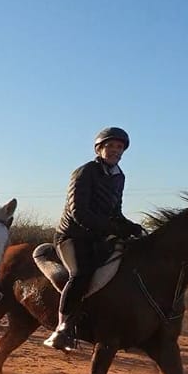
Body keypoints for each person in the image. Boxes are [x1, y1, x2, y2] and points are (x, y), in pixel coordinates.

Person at [42, 126, 147, 353]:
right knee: (81, 273)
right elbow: (79, 212)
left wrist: (132, 228)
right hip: (72, 236)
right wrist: (111, 229)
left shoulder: (119, 176)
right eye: (111, 146)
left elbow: (115, 212)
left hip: (97, 236)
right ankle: (62, 328)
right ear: (99, 149)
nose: (115, 151)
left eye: (119, 147)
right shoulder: (84, 172)